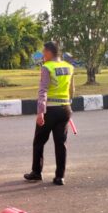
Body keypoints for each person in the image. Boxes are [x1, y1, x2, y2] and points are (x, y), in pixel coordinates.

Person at [24, 41, 75, 186]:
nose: (42, 54)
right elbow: (72, 89)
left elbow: (43, 91)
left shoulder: (47, 67)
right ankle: (60, 177)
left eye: (43, 51)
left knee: (39, 141)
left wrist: (40, 112)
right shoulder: (69, 67)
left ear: (48, 52)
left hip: (50, 110)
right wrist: (68, 104)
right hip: (65, 109)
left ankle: (36, 172)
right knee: (60, 143)